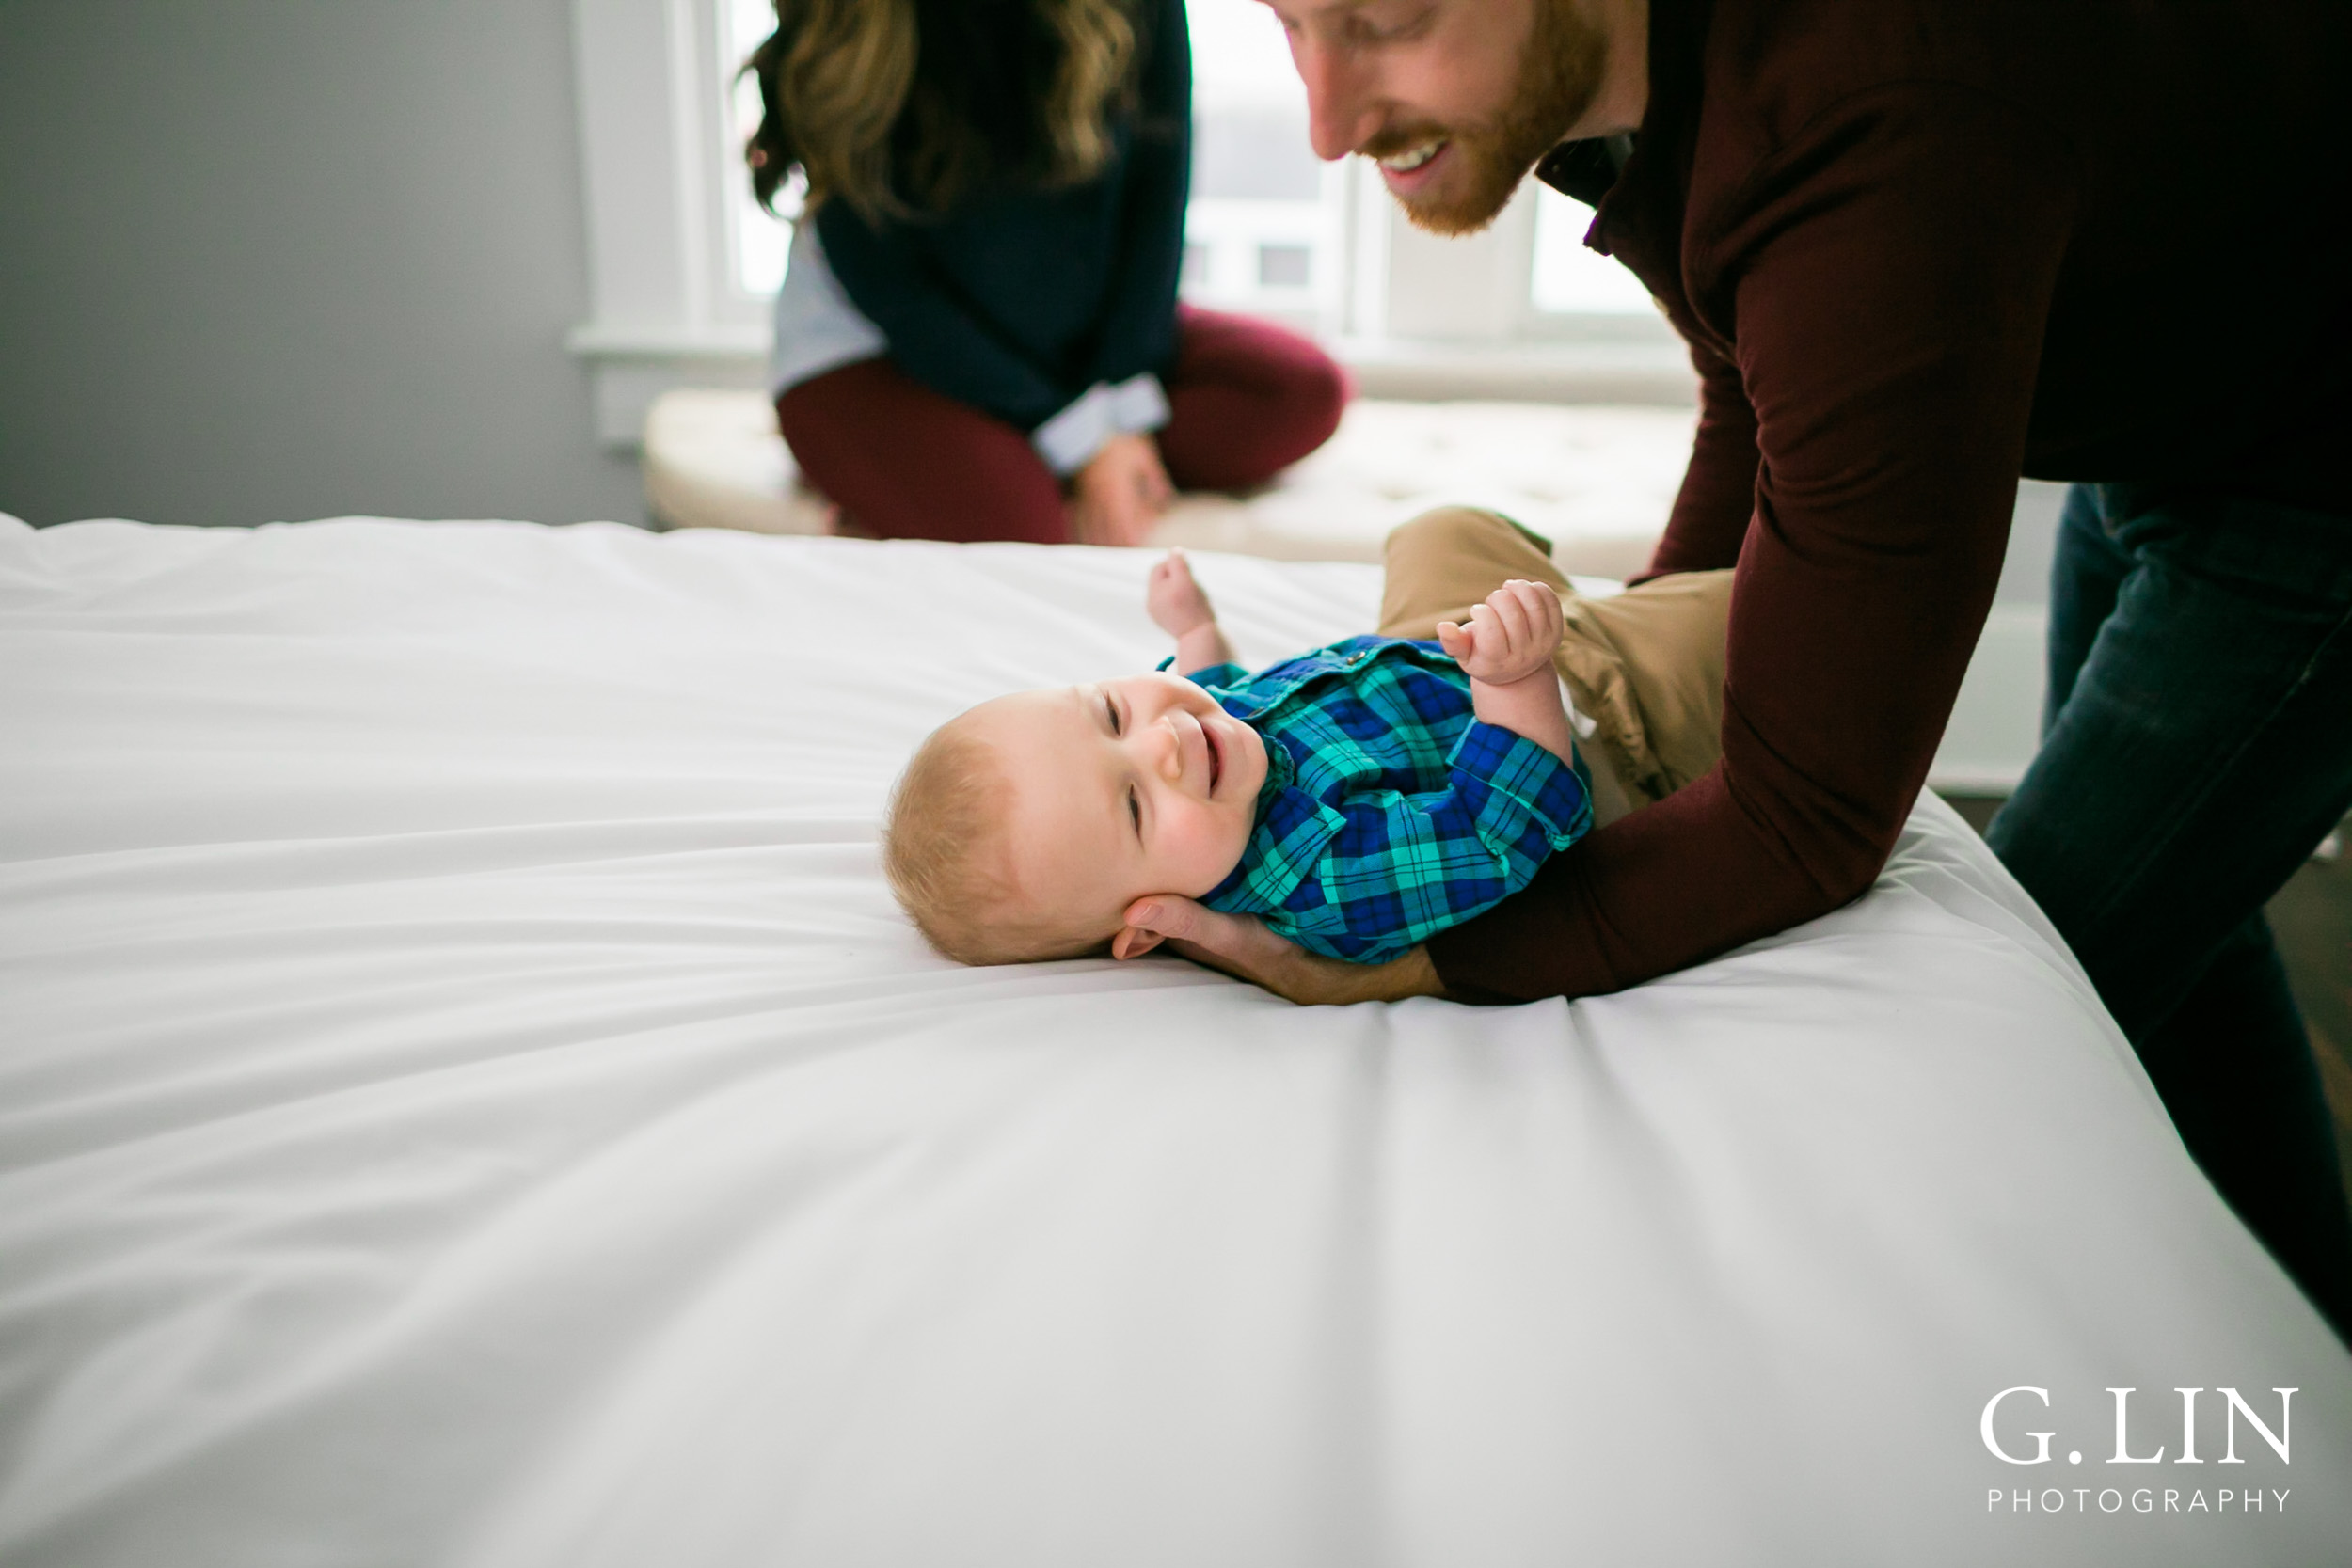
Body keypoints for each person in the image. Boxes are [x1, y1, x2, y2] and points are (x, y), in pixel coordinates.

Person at [1124, 0, 2352, 1335]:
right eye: (1289, 22)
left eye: (1387, 18)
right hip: (2186, 362)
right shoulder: (1628, 72)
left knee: (2018, 996)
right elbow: (1756, 357)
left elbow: (1808, 812)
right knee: (2188, 897)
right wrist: (1631, 672)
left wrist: (1419, 963)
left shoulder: (1880, 115)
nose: (1326, 123)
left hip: (2312, 464)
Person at [884, 510, 1734, 966]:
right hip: (1594, 716)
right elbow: (1499, 828)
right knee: (1734, 610)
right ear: (1149, 924)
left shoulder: (1209, 753)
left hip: (1439, 647)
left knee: (1439, 530)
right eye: (1134, 806)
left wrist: (1195, 632)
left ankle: (1608, 590)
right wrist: (1516, 679)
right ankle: (1683, 611)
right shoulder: (1323, 876)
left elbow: (1213, 689)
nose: (1164, 742)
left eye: (1110, 713)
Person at [741, 0, 1346, 546]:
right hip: (883, 348)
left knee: (1301, 390)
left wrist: (1120, 405)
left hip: (1061, 323)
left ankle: (983, 464)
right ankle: (937, 465)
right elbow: (891, 283)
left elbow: (1157, 194)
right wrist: (1083, 436)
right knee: (1021, 530)